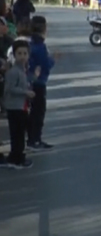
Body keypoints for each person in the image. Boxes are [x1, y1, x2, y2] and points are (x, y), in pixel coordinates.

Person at [5, 40, 36, 169]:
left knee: (20, 133)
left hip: (21, 106)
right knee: (17, 134)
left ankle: (17, 156)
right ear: (14, 55)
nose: (22, 56)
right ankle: (16, 159)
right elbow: (10, 89)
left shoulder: (23, 70)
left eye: (25, 53)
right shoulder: (13, 72)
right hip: (14, 107)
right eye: (19, 53)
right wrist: (26, 93)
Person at [28, 16, 55, 150]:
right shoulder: (40, 46)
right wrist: (52, 60)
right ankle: (35, 139)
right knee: (38, 112)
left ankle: (32, 138)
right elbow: (46, 63)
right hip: (39, 82)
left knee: (33, 111)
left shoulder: (30, 43)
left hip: (31, 81)